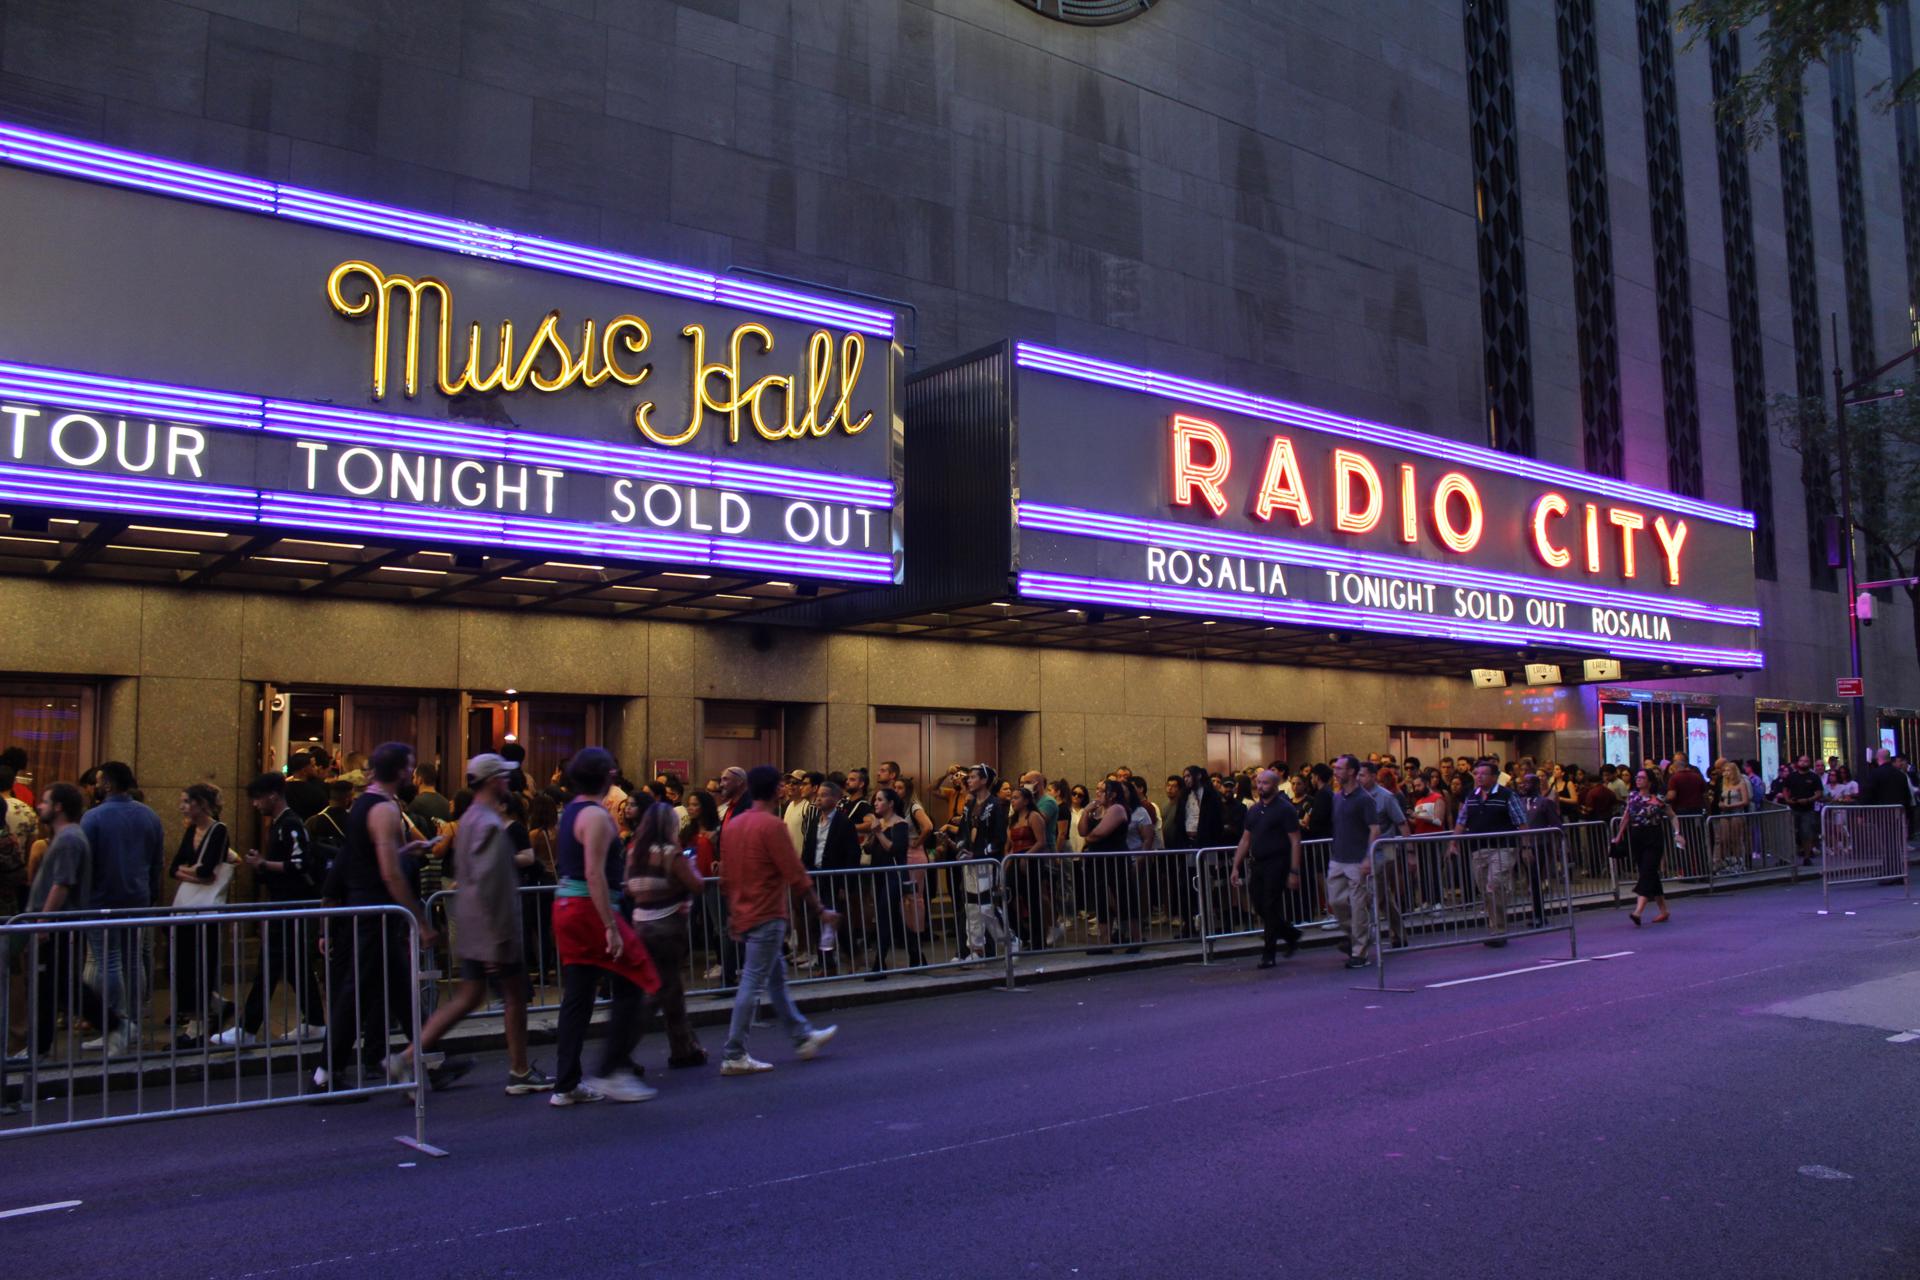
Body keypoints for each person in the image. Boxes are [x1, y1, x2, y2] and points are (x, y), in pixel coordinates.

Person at [386, 755, 543, 1094]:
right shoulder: (486, 823)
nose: (506, 782)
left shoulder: (469, 819)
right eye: (502, 777)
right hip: (494, 926)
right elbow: (491, 883)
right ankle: (518, 1070)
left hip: (475, 923)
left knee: (469, 997)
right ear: (492, 781)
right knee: (513, 995)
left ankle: (409, 1057)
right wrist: (498, 935)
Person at [320, 742, 442, 1093]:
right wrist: (419, 920)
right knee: (355, 995)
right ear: (403, 771)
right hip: (376, 913)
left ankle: (426, 1062)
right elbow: (389, 874)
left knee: (400, 993)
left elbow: (371, 858)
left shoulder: (365, 805)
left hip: (371, 912)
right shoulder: (384, 810)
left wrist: (405, 848)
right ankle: (325, 1074)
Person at [549, 748, 662, 1106]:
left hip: (570, 905)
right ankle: (613, 1069)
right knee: (642, 981)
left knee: (578, 995)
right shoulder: (596, 816)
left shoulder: (571, 812)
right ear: (608, 777)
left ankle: (566, 1083)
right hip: (591, 909)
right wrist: (610, 926)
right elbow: (594, 872)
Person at [719, 765, 838, 1075]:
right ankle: (734, 1051)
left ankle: (802, 1036)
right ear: (776, 791)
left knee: (774, 979)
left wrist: (732, 911)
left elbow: (725, 876)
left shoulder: (734, 825)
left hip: (744, 911)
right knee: (753, 982)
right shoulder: (772, 826)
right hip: (767, 913)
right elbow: (796, 874)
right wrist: (820, 909)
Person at [217, 772, 327, 1048]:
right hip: (286, 905)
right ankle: (315, 1022)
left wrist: (264, 864)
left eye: (257, 798)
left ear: (273, 795)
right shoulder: (281, 825)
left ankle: (248, 1027)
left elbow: (300, 863)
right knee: (294, 966)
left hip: (290, 905)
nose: (255, 804)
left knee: (271, 966)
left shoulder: (290, 824)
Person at [75, 762, 163, 1053]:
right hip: (138, 897)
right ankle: (134, 1020)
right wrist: (151, 892)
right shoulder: (149, 815)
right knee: (132, 959)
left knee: (108, 961)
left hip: (102, 899)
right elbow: (156, 861)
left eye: (99, 780)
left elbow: (84, 862)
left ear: (108, 785)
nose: (96, 785)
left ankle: (118, 1023)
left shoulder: (93, 817)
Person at [624, 799, 708, 1070]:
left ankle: (684, 1048)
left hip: (640, 923)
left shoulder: (635, 851)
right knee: (660, 990)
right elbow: (695, 885)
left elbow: (629, 888)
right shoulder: (671, 852)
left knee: (671, 989)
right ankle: (620, 1050)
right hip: (668, 924)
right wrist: (690, 868)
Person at [10, 783, 90, 1061]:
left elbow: (62, 883)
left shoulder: (68, 839)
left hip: (54, 926)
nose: (38, 806)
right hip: (52, 924)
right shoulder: (64, 837)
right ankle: (38, 1045)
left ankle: (114, 1023)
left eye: (44, 802)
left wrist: (43, 921)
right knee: (52, 985)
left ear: (58, 807)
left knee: (51, 986)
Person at [168, 783, 232, 1045]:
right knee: (185, 962)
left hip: (204, 909)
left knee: (199, 962)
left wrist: (190, 872)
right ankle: (210, 1009)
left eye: (186, 801)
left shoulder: (218, 830)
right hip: (189, 905)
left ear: (200, 804)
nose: (182, 807)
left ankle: (201, 1020)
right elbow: (174, 868)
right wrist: (194, 873)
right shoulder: (191, 830)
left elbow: (208, 871)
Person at [1228, 769, 1303, 968]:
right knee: (1259, 904)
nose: (1261, 787)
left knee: (1270, 906)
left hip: (1277, 862)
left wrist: (1294, 870)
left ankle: (1269, 953)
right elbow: (1245, 839)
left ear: (1275, 785)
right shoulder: (1253, 810)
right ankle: (1290, 933)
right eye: (1258, 783)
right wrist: (1236, 866)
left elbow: (1295, 840)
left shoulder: (1285, 809)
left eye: (1265, 783)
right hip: (1257, 863)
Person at [1454, 758, 1527, 948]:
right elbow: (1461, 821)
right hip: (1478, 849)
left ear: (1494, 777)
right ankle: (1494, 925)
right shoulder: (1472, 796)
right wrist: (1453, 842)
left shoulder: (1507, 795)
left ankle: (1499, 930)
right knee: (1485, 890)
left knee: (1494, 885)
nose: (1478, 777)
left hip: (1503, 847)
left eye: (1483, 774)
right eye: (1476, 774)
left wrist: (1526, 846)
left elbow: (1521, 822)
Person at [1324, 754, 1382, 969]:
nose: (1336, 772)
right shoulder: (1337, 797)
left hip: (1357, 860)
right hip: (1338, 858)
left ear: (1351, 772)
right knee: (1337, 902)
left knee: (1358, 906)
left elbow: (1374, 829)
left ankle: (1360, 952)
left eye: (1339, 768)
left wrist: (1368, 857)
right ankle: (1357, 935)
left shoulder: (1365, 799)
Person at [799, 776, 861, 972]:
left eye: (824, 796)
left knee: (836, 920)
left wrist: (845, 884)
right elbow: (808, 847)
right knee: (817, 921)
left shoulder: (844, 823)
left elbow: (853, 854)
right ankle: (826, 962)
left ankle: (851, 955)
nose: (819, 799)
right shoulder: (815, 821)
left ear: (835, 799)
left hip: (834, 876)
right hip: (816, 875)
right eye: (818, 796)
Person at [955, 764, 1016, 962]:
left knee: (986, 907)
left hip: (988, 862)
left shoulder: (996, 805)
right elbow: (963, 832)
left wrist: (980, 853)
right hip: (971, 862)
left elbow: (999, 838)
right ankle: (976, 950)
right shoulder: (969, 805)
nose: (969, 780)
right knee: (971, 906)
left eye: (973, 777)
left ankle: (1009, 940)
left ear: (984, 780)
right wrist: (961, 846)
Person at [865, 787, 924, 976]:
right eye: (875, 800)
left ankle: (879, 964)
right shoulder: (878, 823)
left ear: (890, 803)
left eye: (880, 800)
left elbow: (895, 849)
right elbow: (871, 850)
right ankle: (917, 956)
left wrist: (879, 833)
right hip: (880, 874)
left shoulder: (900, 824)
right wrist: (871, 838)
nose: (876, 803)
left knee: (884, 916)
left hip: (895, 875)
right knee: (895, 919)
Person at [1616, 768, 1676, 925]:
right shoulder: (1632, 796)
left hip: (1653, 837)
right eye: (1637, 777)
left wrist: (1678, 833)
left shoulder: (1659, 799)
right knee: (1649, 873)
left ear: (1649, 782)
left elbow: (1672, 816)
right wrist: (1619, 835)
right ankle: (1664, 910)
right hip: (1637, 837)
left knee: (1647, 871)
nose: (1638, 780)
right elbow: (1626, 816)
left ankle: (1638, 911)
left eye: (1642, 778)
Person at [1782, 755, 1824, 863]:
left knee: (1807, 832)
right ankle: (1789, 857)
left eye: (1806, 761)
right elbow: (1785, 789)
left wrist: (1809, 799)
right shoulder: (1791, 776)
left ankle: (1807, 857)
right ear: (1798, 763)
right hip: (1793, 808)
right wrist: (1788, 800)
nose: (1803, 763)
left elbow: (1819, 792)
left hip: (1808, 809)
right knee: (1790, 833)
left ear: (1809, 763)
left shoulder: (1814, 777)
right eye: (1801, 761)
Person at [283, 749, 330, 821]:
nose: (316, 768)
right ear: (304, 771)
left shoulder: (282, 789)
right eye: (313, 766)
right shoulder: (316, 791)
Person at [408, 763, 453, 833]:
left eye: (414, 777)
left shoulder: (416, 804)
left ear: (420, 780)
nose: (412, 781)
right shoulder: (447, 803)